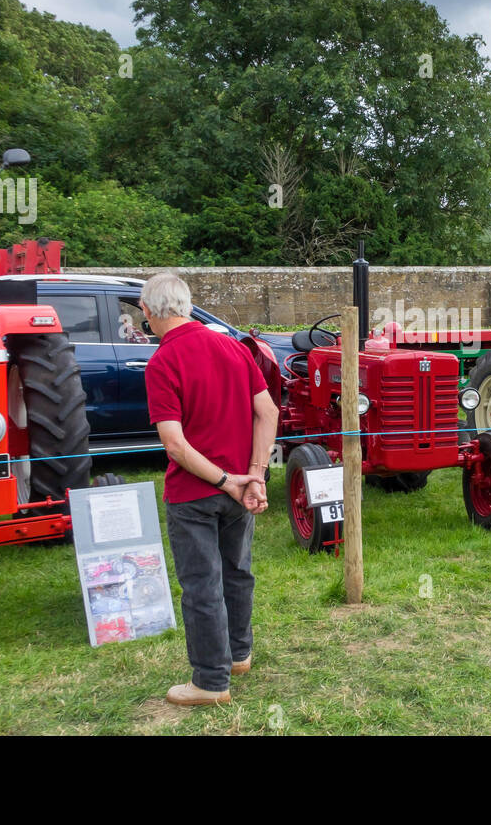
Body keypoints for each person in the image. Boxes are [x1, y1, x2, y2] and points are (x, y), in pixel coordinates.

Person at [140, 273, 279, 706]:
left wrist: (228, 479)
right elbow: (269, 411)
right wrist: (252, 473)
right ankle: (238, 655)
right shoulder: (235, 348)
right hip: (239, 488)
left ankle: (210, 682)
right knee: (237, 574)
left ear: (147, 312)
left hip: (196, 493)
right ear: (187, 305)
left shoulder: (162, 362)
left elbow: (176, 445)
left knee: (203, 585)